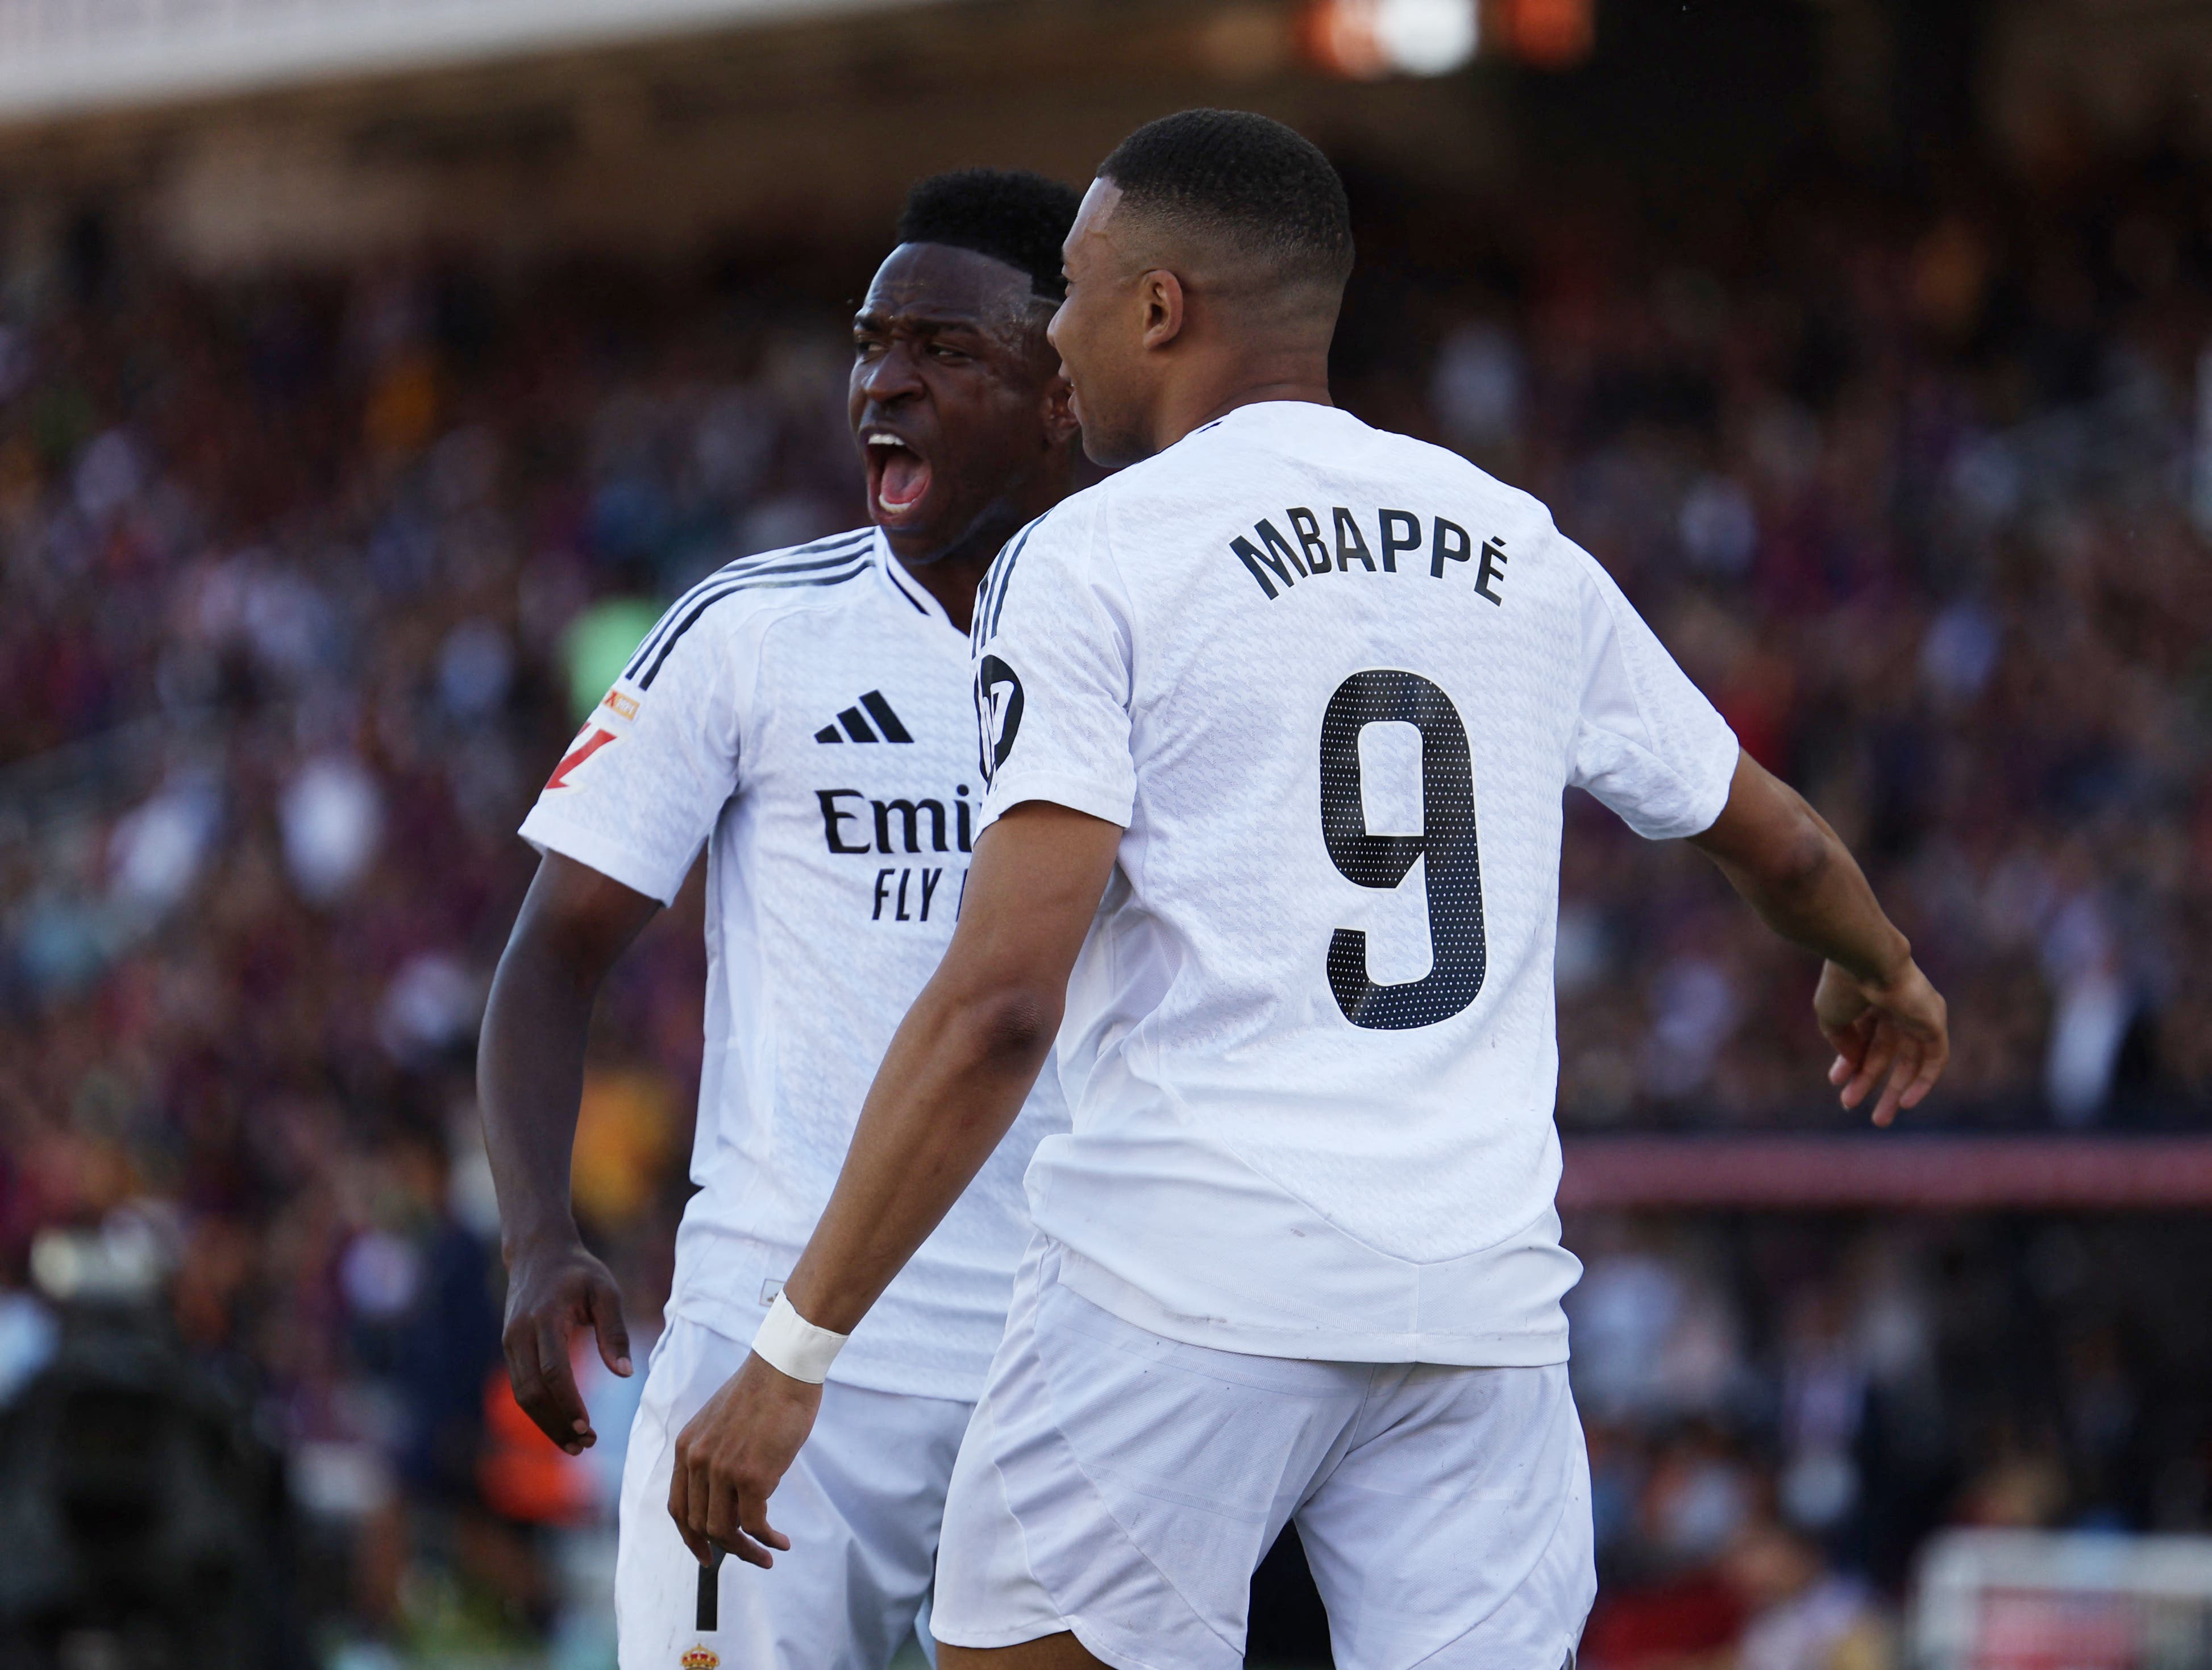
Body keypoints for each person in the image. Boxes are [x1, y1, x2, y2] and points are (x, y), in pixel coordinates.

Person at [667, 110, 1951, 1670]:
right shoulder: (1517, 544)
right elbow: (1786, 848)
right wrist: (1875, 963)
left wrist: (794, 1346)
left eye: (1067, 293)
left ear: (1159, 308)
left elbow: (1001, 1002)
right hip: (1473, 1316)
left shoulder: (1093, 557)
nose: (1051, 336)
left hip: (1177, 1292)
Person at [477, 168, 1084, 1670]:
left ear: (1064, 385)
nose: (884, 381)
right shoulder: (751, 634)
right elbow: (553, 952)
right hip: (776, 1366)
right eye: (871, 342)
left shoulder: (1153, 643)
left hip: (1076, 1363)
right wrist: (538, 1233)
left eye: (945, 350)